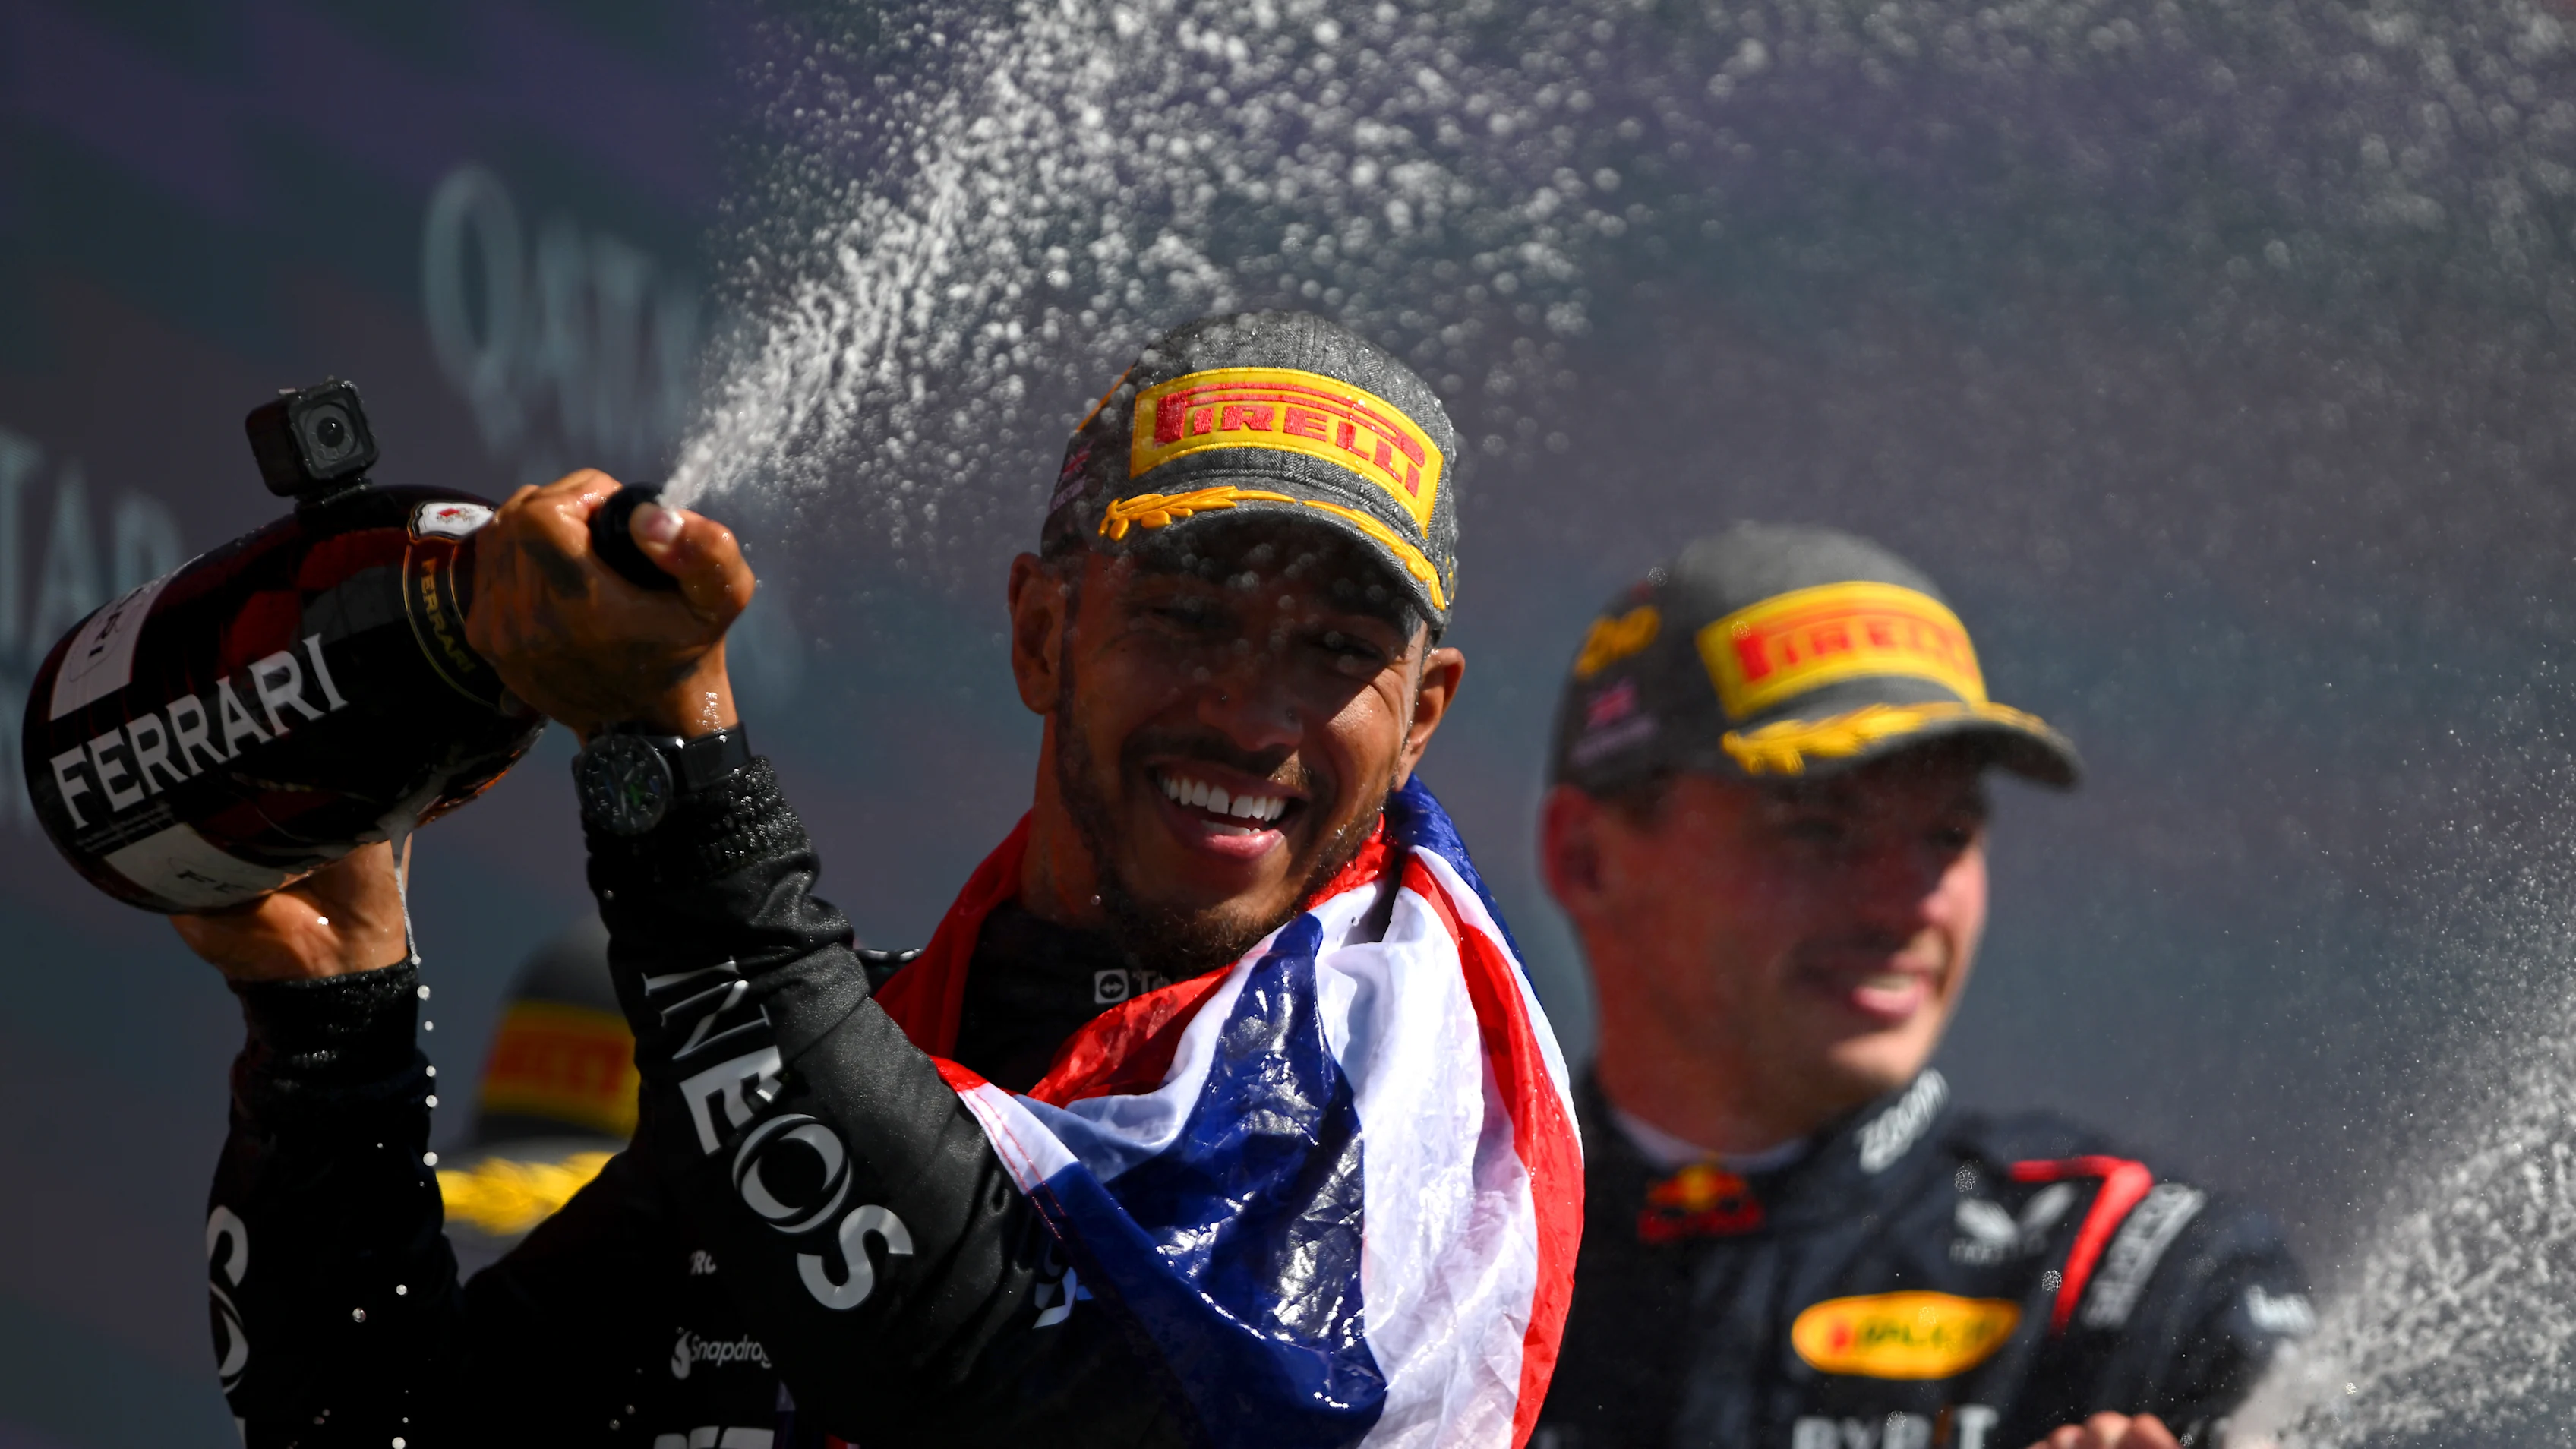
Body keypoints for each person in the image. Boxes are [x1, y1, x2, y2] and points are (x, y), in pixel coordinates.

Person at [179, 310, 1581, 1448]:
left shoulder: (1408, 1127)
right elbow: (387, 1432)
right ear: (1043, 632)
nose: (1251, 712)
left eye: (1335, 648)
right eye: (1185, 614)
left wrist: (666, 754)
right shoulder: (841, 1056)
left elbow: (989, 1374)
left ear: (1421, 715)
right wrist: (332, 1024)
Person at [1530, 526, 2311, 1449]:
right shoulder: (1411, 1249)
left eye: (1946, 835)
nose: (1905, 903)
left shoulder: (2138, 1280)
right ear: (1586, 860)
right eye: (1817, 828)